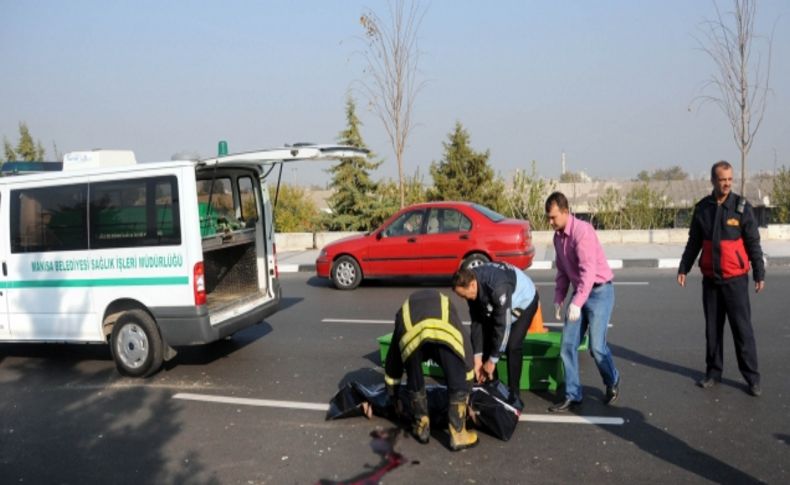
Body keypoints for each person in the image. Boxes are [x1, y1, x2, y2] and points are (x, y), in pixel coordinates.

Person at [677, 160, 765, 397]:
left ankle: (752, 378)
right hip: (711, 282)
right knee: (713, 331)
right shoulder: (703, 208)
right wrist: (684, 267)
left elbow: (753, 243)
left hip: (735, 281)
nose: (726, 183)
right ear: (713, 181)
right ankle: (713, 372)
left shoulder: (741, 207)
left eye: (729, 179)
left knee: (742, 331)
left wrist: (759, 272)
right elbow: (694, 241)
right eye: (722, 179)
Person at [545, 191, 620, 412]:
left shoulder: (583, 232)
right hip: (580, 293)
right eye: (548, 217)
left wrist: (576, 303)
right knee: (567, 345)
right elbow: (562, 272)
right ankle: (573, 394)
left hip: (599, 293)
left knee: (597, 348)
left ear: (566, 212)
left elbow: (588, 273)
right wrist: (559, 298)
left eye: (554, 217)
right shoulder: (557, 237)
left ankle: (612, 379)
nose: (550, 222)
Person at [383, 289, 478, 451]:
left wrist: (394, 396)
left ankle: (421, 426)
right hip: (444, 334)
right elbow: (466, 351)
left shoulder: (403, 310)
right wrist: (467, 393)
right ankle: (458, 433)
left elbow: (393, 360)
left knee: (415, 377)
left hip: (412, 337)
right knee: (456, 371)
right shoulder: (446, 303)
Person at [451, 261, 539, 408]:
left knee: (512, 345)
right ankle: (493, 386)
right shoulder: (471, 284)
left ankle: (514, 395)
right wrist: (477, 359)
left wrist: (492, 361)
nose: (464, 299)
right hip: (501, 303)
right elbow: (477, 323)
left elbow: (502, 326)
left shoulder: (497, 287)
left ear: (472, 285)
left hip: (525, 301)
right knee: (487, 340)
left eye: (464, 296)